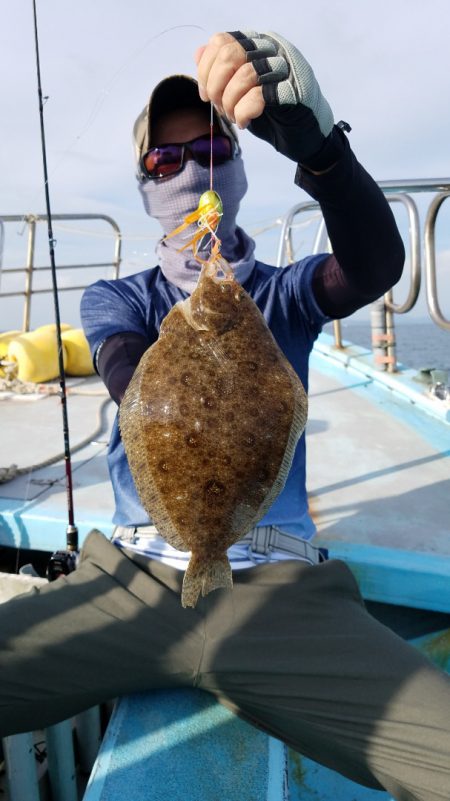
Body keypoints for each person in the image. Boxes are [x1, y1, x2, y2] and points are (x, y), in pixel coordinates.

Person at [1, 30, 449, 801]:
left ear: (237, 167)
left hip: (279, 586)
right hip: (134, 576)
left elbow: (376, 264)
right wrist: (199, 321)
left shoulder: (284, 294)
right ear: (146, 184)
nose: (189, 167)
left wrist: (325, 157)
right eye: (164, 158)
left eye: (210, 146)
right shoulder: (120, 299)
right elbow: (126, 376)